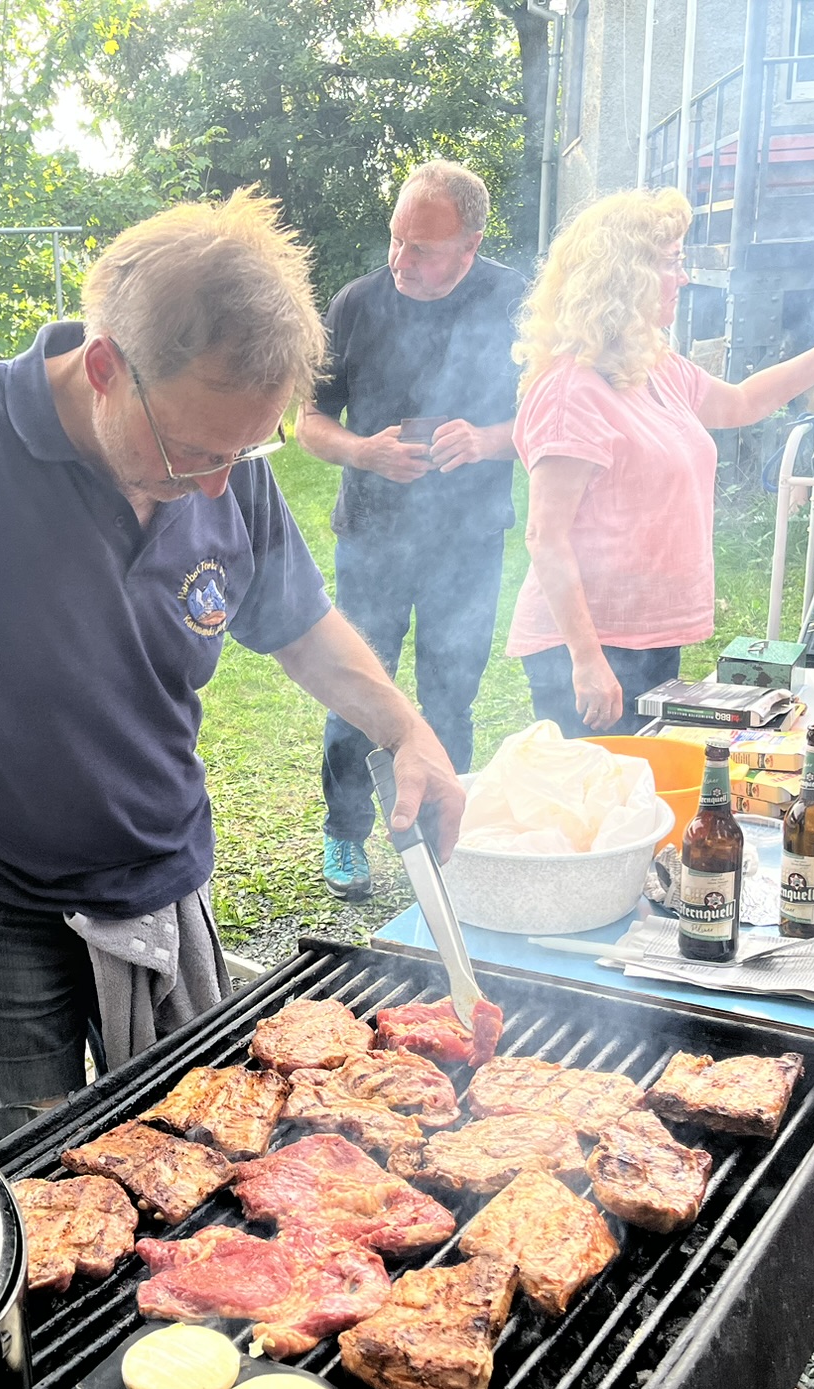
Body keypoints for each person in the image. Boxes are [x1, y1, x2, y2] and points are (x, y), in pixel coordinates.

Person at [0, 193, 466, 1148]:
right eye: (194, 451)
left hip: (164, 868)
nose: (217, 483)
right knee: (36, 1171)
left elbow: (301, 627)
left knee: (193, 1156)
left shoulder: (226, 461)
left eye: (244, 450)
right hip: (2, 895)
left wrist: (408, 732)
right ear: (106, 368)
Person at [507, 189, 814, 735]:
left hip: (647, 635)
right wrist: (587, 659)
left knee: (648, 772)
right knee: (605, 785)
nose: (684, 277)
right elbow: (545, 536)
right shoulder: (571, 391)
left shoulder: (654, 367)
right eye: (671, 262)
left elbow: (743, 402)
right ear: (625, 276)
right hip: (589, 645)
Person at [297, 161, 523, 900]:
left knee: (450, 693)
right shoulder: (357, 304)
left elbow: (556, 419)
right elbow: (308, 420)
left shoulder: (516, 304)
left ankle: (438, 834)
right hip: (372, 537)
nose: (401, 259)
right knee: (358, 688)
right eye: (396, 239)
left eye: (421, 248)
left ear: (471, 245)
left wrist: (486, 440)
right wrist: (363, 451)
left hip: (469, 541)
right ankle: (344, 831)